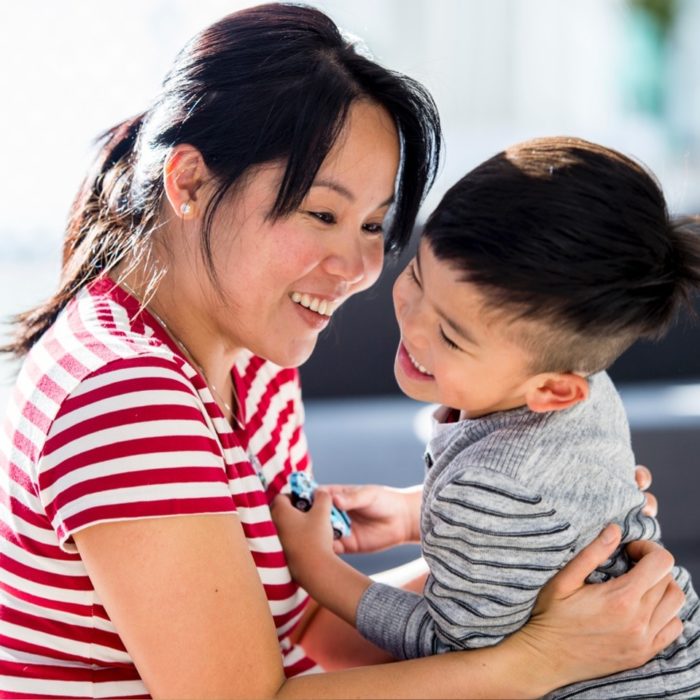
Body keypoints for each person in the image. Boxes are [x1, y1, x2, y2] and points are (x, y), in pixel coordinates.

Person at [0, 3, 684, 696]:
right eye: (322, 214)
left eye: (373, 224)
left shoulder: (251, 360)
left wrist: (535, 547)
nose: (360, 267)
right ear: (189, 182)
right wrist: (543, 658)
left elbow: (301, 629)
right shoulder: (126, 397)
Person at [273, 137, 700, 698]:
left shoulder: (486, 488)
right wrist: (415, 513)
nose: (414, 324)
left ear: (552, 390)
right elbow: (540, 527)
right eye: (420, 277)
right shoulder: (586, 388)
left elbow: (452, 656)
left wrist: (318, 571)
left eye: (450, 335)